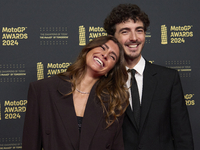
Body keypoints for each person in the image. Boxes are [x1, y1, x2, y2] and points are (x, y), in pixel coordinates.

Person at [104, 4, 194, 150]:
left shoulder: (169, 79)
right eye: (125, 31)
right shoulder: (104, 82)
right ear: (113, 38)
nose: (134, 38)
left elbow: (183, 136)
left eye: (139, 30)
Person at [22, 35, 129, 150]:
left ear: (110, 70)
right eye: (103, 48)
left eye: (112, 56)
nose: (105, 55)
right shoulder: (42, 90)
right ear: (88, 49)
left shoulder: (115, 104)